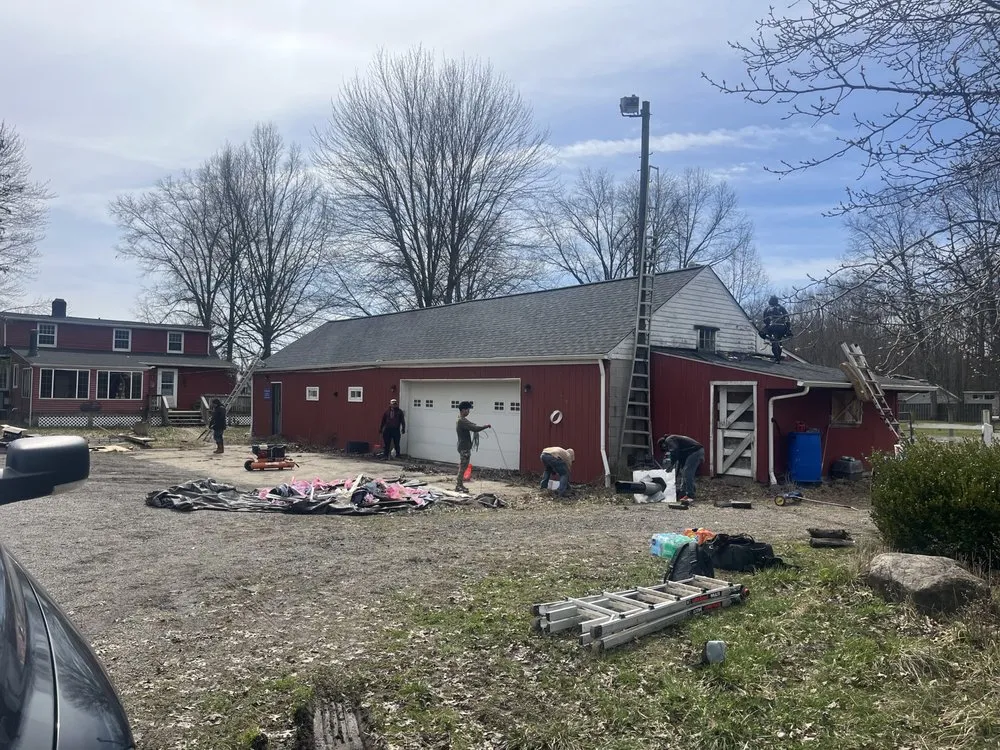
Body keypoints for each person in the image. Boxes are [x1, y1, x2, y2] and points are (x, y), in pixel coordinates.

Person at [455, 401, 490, 493]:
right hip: (464, 447)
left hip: (463, 446)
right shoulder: (461, 421)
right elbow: (474, 428)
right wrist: (485, 426)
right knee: (463, 467)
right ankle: (458, 486)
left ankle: (459, 485)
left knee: (463, 466)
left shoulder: (461, 419)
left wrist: (474, 425)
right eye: (468, 410)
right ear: (463, 410)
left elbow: (471, 424)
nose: (468, 412)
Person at [657, 434, 704, 501]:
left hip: (695, 451)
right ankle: (686, 492)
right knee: (685, 472)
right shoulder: (678, 445)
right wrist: (675, 474)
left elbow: (674, 450)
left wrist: (671, 464)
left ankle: (690, 495)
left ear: (664, 444)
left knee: (687, 472)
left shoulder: (669, 440)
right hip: (695, 452)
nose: (667, 450)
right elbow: (680, 463)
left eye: (666, 449)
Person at [761, 295, 792, 363]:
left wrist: (767, 326)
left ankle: (777, 358)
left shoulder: (768, 308)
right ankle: (778, 357)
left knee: (769, 338)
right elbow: (787, 318)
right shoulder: (782, 308)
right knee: (779, 341)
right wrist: (788, 330)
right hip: (782, 328)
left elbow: (765, 319)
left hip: (772, 327)